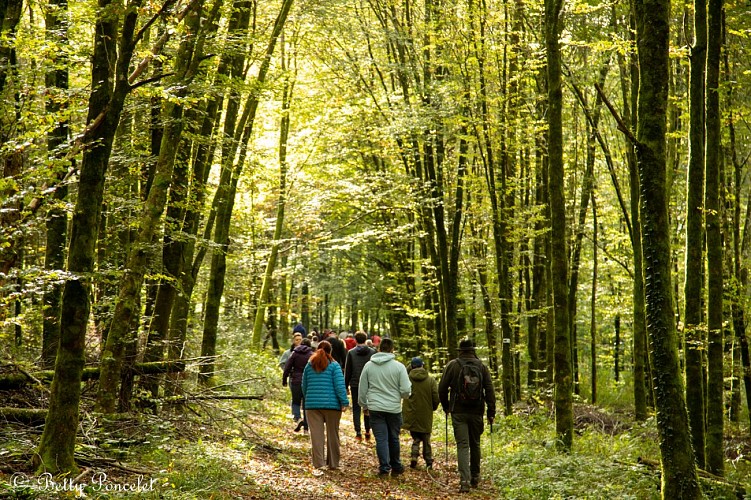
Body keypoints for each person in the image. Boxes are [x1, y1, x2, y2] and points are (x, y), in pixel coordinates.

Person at [439, 338, 496, 493]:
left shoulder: (453, 365)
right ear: (473, 350)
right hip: (477, 410)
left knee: (463, 445)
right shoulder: (482, 367)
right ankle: (475, 477)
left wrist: (446, 407)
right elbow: (489, 390)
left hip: (458, 411)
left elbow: (442, 388)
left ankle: (464, 481)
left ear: (460, 350)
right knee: (475, 443)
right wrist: (491, 412)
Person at [358, 338, 411, 476]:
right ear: (392, 349)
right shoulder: (399, 367)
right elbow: (406, 390)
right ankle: (396, 466)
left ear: (379, 348)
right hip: (394, 408)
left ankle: (384, 468)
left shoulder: (369, 366)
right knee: (394, 438)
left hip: (375, 408)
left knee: (381, 439)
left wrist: (364, 405)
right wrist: (401, 396)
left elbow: (362, 389)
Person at [302, 340, 349, 473]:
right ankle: (333, 463)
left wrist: (309, 398)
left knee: (316, 436)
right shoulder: (334, 366)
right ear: (330, 351)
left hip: (312, 406)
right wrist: (344, 402)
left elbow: (304, 386)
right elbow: (340, 386)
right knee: (333, 434)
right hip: (332, 406)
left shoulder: (309, 366)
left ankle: (319, 464)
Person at [402, 357, 439, 469]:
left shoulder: (407, 379)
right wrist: (433, 407)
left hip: (411, 413)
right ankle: (428, 461)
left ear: (411, 366)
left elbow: (403, 393)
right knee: (426, 438)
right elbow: (436, 397)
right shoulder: (430, 380)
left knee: (416, 437)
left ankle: (414, 456)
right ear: (422, 366)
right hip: (425, 413)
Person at [344, 331, 376, 441]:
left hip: (355, 383)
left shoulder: (351, 353)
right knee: (367, 407)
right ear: (365, 339)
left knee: (356, 408)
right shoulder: (372, 352)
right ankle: (368, 430)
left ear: (355, 340)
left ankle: (358, 432)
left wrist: (345, 385)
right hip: (369, 384)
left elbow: (348, 370)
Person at [283, 337, 314, 432]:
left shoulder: (294, 353)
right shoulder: (312, 355)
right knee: (306, 404)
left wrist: (284, 379)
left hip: (296, 381)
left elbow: (287, 367)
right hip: (308, 382)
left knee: (296, 401)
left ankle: (298, 418)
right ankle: (306, 428)